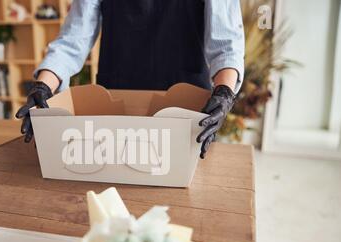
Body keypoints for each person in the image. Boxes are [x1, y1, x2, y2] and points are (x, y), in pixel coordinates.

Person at [16, 0, 244, 159]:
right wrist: (43, 87)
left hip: (187, 106)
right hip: (117, 104)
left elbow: (226, 45)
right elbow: (72, 41)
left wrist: (224, 94)